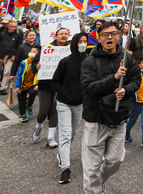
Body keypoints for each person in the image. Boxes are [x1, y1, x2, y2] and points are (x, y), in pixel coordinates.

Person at [80, 19, 141, 194]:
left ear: (119, 37)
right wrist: (114, 78)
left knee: (115, 160)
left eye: (113, 34)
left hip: (119, 118)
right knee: (91, 170)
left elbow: (136, 80)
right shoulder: (89, 61)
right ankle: (94, 188)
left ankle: (98, 183)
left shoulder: (126, 58)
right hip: (95, 120)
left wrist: (126, 90)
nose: (110, 37)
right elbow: (89, 88)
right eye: (105, 35)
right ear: (99, 38)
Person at [53, 31, 88, 185]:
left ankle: (62, 154)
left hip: (79, 104)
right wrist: (65, 93)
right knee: (65, 135)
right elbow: (55, 81)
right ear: (74, 43)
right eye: (80, 41)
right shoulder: (65, 61)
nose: (82, 44)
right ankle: (65, 168)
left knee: (72, 133)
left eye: (85, 41)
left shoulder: (89, 61)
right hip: (64, 103)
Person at [32, 27, 71, 149]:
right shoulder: (46, 48)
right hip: (45, 84)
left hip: (60, 85)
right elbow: (33, 63)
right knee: (44, 110)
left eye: (66, 34)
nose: (63, 36)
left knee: (55, 110)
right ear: (55, 36)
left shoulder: (70, 49)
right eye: (61, 34)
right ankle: (38, 126)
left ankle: (51, 137)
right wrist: (36, 66)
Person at [125, 55, 143, 149]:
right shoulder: (136, 75)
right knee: (131, 121)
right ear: (139, 65)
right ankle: (126, 133)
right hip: (135, 103)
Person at [0, 19, 22, 94]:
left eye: (15, 27)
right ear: (9, 26)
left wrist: (15, 55)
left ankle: (3, 88)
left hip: (10, 57)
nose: (13, 28)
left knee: (6, 72)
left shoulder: (17, 36)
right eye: (12, 26)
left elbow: (19, 47)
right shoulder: (2, 34)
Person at [15, 44, 40, 122]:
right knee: (21, 99)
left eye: (34, 52)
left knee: (32, 93)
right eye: (31, 51)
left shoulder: (39, 63)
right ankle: (23, 115)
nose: (31, 53)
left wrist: (37, 85)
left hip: (32, 84)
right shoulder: (24, 63)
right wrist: (18, 86)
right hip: (23, 84)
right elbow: (19, 75)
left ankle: (29, 105)